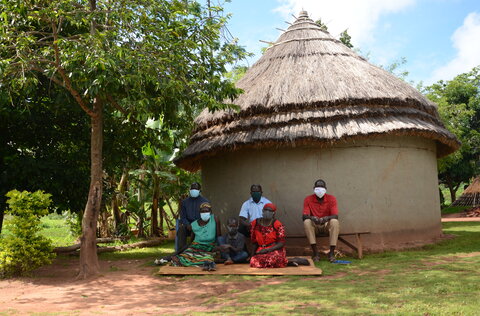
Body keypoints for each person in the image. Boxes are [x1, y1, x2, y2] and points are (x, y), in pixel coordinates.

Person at [170, 202, 221, 271]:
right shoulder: (194, 224)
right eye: (202, 211)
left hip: (209, 247)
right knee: (185, 256)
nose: (204, 213)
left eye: (206, 211)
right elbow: (192, 241)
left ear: (210, 212)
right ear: (199, 212)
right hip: (196, 246)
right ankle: (180, 259)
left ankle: (202, 263)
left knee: (208, 258)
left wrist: (218, 248)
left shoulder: (215, 219)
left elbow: (219, 236)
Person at [302, 179, 340, 263]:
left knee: (334, 222)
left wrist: (326, 218)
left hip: (326, 225)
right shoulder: (308, 199)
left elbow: (335, 215)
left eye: (322, 187)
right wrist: (313, 218)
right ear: (314, 188)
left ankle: (331, 253)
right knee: (307, 222)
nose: (320, 189)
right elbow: (304, 216)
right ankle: (316, 253)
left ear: (325, 188)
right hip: (314, 225)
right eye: (317, 187)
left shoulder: (331, 198)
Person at [250, 203, 288, 268]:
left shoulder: (277, 224)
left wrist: (268, 250)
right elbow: (254, 241)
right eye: (266, 210)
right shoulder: (255, 223)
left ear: (273, 213)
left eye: (270, 211)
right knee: (254, 261)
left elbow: (281, 243)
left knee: (274, 258)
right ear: (262, 211)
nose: (267, 212)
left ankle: (283, 261)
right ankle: (285, 262)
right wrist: (252, 255)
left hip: (274, 249)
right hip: (261, 249)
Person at [177, 182, 209, 251]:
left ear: (200, 190)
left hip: (200, 225)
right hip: (188, 225)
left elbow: (206, 216)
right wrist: (188, 224)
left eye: (196, 189)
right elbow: (183, 217)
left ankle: (197, 250)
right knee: (181, 229)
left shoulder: (205, 202)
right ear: (190, 190)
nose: (194, 190)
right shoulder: (184, 202)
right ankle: (180, 251)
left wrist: (196, 225)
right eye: (192, 188)